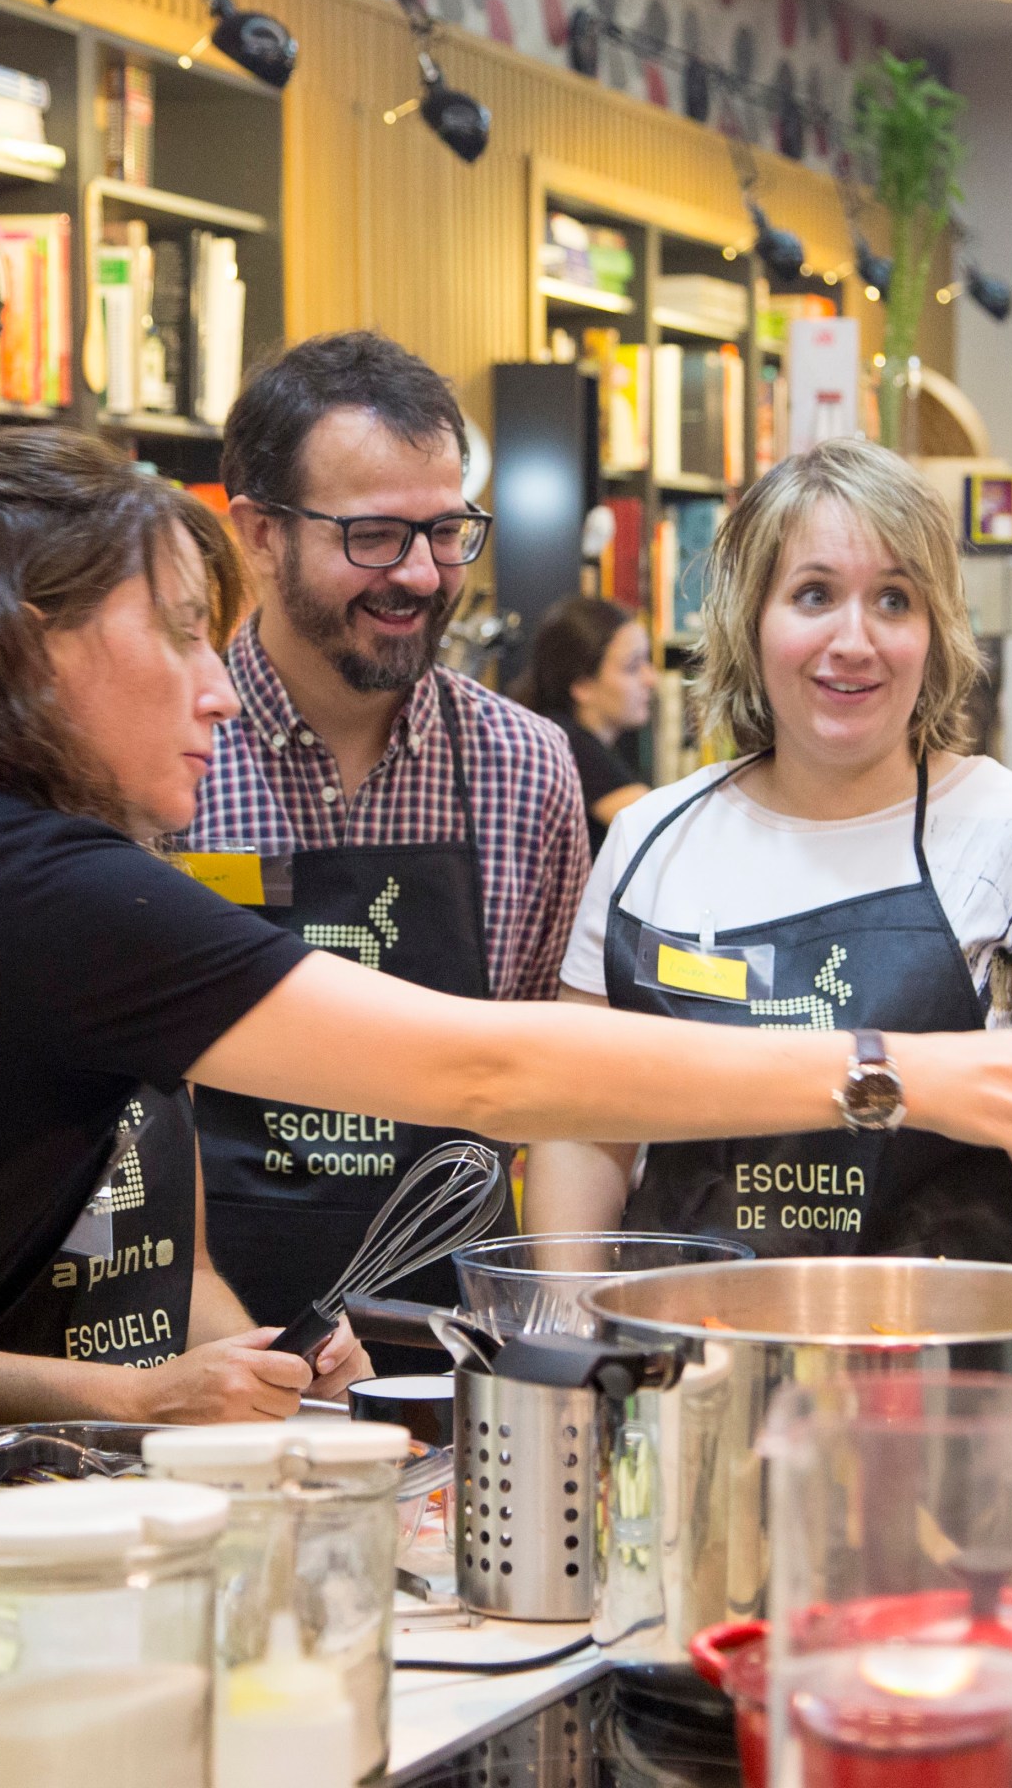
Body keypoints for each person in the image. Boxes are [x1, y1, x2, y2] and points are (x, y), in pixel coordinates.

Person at [0, 427, 1012, 1410]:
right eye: (185, 636)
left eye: (895, 599)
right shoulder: (31, 896)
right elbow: (503, 1079)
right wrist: (894, 1074)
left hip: (965, 1391)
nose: (220, 687)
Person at [525, 438, 1012, 1260]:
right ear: (751, 619)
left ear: (936, 633)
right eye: (813, 594)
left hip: (948, 1364)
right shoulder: (650, 842)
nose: (854, 639)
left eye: (894, 600)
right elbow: (582, 1121)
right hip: (679, 1356)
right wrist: (571, 1338)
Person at [177, 333, 588, 1361]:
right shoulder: (164, 762)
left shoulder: (527, 771)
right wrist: (221, 1337)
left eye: (446, 532)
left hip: (454, 1354)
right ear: (260, 535)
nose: (418, 574)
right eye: (373, 536)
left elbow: (549, 1085)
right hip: (201, 1353)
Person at [0, 1090, 371, 1425]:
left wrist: (269, 1375)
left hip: (157, 1462)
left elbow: (189, 1272)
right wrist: (144, 1396)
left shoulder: (165, 1042)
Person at [510, 595, 654, 854]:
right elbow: (660, 828)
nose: (650, 679)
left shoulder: (577, 738)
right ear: (582, 685)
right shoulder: (568, 744)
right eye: (633, 667)